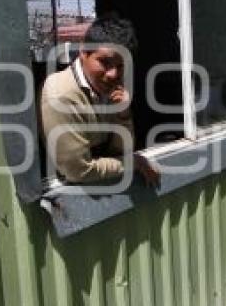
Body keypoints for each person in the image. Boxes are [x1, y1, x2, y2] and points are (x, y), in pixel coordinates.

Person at [41, 14, 159, 187]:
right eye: (104, 62)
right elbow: (79, 172)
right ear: (83, 52)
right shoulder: (62, 95)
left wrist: (123, 115)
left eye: (120, 66)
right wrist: (133, 163)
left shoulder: (107, 85)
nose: (113, 74)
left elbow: (120, 151)